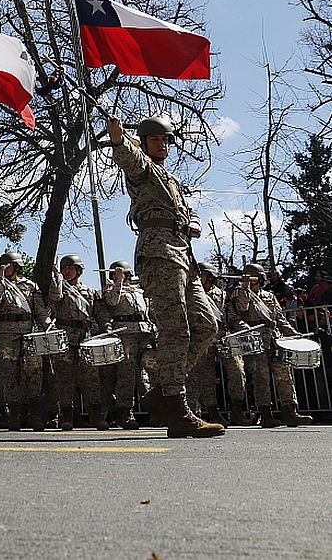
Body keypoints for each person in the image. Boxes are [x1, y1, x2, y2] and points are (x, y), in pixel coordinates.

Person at [106, 116, 224, 438]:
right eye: (156, 139)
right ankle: (177, 408)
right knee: (175, 329)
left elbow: (188, 209)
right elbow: (129, 160)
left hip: (184, 255)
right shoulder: (144, 170)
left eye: (166, 139)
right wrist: (118, 140)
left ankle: (162, 392)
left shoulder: (171, 180)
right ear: (143, 142)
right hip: (159, 254)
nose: (163, 144)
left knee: (206, 325)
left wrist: (194, 223)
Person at [229, 263, 313, 427]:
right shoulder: (239, 294)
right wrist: (245, 288)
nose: (248, 279)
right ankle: (265, 413)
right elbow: (242, 307)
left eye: (251, 276)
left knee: (284, 375)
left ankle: (290, 410)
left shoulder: (269, 295)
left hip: (274, 338)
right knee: (261, 377)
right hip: (255, 339)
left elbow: (279, 318)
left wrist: (292, 333)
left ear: (260, 278)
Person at [0, 251, 49, 431]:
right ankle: (13, 415)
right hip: (6, 333)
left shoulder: (30, 286)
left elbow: (39, 310)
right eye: (3, 265)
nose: (6, 268)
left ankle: (34, 415)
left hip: (28, 331)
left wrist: (46, 325)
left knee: (34, 372)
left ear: (17, 266)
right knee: (9, 374)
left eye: (9, 265)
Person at [48, 254, 111, 431]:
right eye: (65, 268)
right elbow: (55, 296)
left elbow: (100, 312)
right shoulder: (60, 288)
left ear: (78, 270)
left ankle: (96, 416)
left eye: (71, 268)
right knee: (65, 378)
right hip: (65, 337)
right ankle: (67, 416)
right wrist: (57, 278)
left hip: (86, 337)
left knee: (91, 378)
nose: (67, 271)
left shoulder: (90, 292)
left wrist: (106, 326)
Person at [188, 262, 252, 426]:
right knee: (206, 377)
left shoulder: (221, 294)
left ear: (209, 276)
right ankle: (213, 413)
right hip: (202, 339)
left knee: (237, 371)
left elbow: (230, 315)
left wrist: (242, 326)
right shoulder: (192, 294)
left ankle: (237, 411)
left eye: (201, 274)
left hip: (223, 337)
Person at [101, 260, 155, 430]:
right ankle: (125, 412)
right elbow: (112, 302)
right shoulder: (111, 289)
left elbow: (150, 310)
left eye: (124, 274)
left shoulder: (140, 290)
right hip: (125, 333)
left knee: (151, 370)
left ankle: (156, 409)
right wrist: (117, 282)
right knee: (127, 373)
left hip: (145, 332)